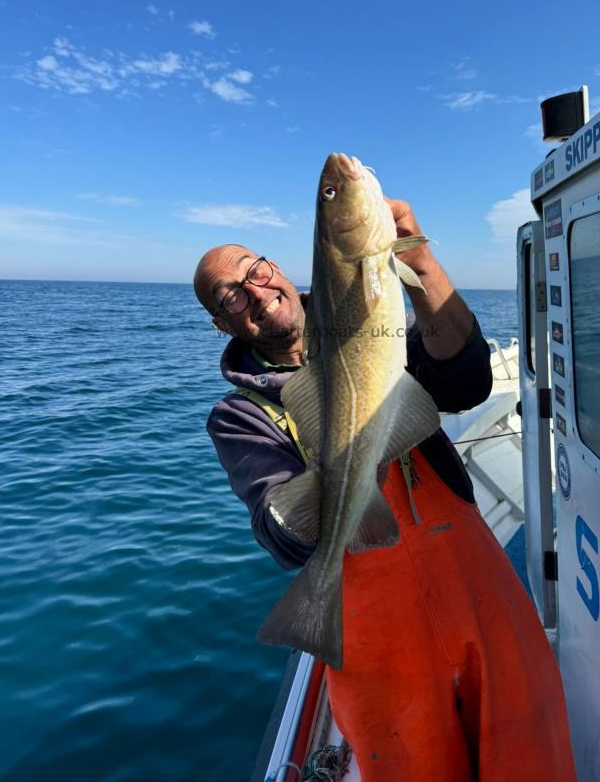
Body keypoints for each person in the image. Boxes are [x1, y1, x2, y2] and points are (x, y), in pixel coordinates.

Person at [194, 197, 576, 781]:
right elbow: (284, 539)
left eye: (256, 266)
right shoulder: (238, 416)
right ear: (222, 323)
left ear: (282, 267)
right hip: (376, 638)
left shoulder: (368, 325)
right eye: (230, 295)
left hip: (475, 583)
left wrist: (417, 259)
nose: (253, 287)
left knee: (532, 753)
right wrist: (349, 446)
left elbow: (466, 379)